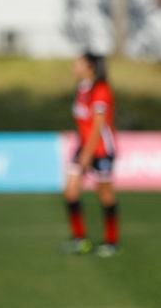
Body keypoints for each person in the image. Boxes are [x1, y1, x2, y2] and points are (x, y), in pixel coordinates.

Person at [63, 52, 119, 258]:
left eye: (78, 63)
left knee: (104, 194)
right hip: (83, 146)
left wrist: (87, 155)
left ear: (90, 67)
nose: (73, 66)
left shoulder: (100, 90)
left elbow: (98, 127)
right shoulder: (82, 89)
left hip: (101, 149)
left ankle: (111, 242)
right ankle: (80, 240)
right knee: (70, 191)